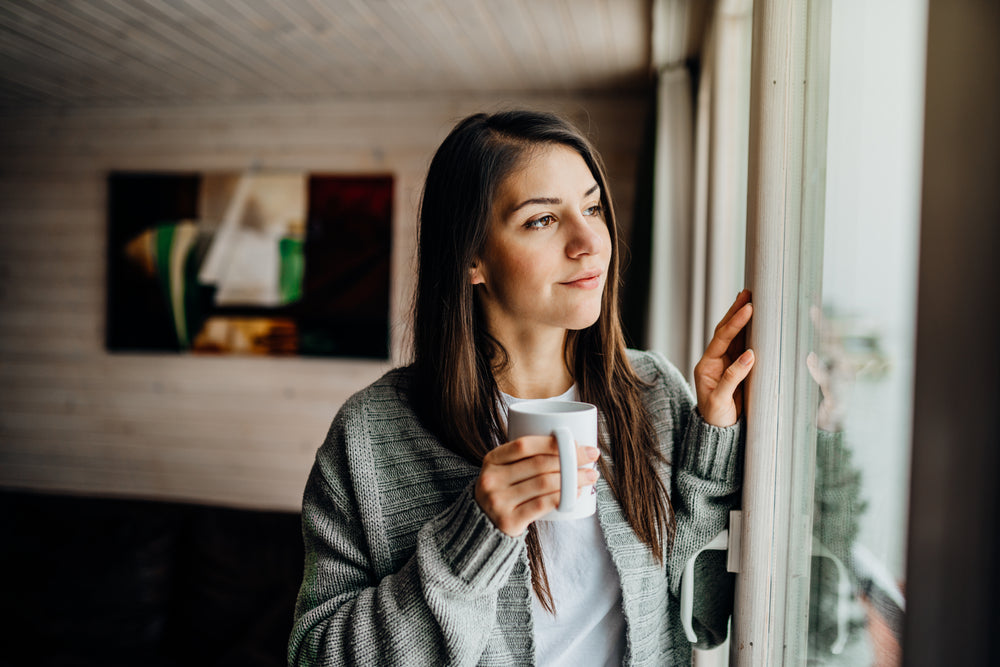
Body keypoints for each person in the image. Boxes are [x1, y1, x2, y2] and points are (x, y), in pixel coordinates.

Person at [287, 110, 754, 666]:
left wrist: (715, 439)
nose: (589, 243)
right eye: (541, 221)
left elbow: (704, 621)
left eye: (592, 208)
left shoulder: (653, 392)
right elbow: (316, 658)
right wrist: (474, 537)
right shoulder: (371, 435)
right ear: (471, 259)